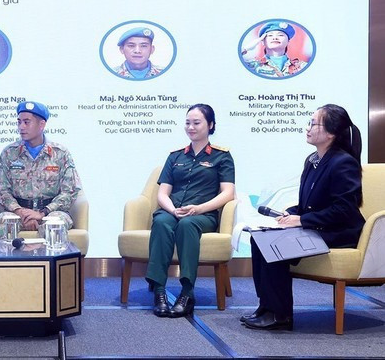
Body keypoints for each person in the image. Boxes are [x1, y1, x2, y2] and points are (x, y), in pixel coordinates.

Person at [243, 104, 364, 330]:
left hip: (339, 232)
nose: (307, 128)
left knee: (275, 245)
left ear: (330, 133)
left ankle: (280, 315)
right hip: (319, 227)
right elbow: (311, 204)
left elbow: (344, 209)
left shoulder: (343, 162)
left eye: (313, 123)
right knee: (258, 238)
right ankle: (267, 306)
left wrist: (302, 221)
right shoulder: (312, 160)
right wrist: (293, 212)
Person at [147, 104, 235, 318]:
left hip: (203, 215)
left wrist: (198, 209)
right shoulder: (175, 156)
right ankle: (159, 291)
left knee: (187, 225)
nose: (191, 127)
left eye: (197, 123)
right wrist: (173, 210)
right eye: (188, 122)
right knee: (160, 222)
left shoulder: (221, 156)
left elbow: (228, 193)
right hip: (173, 210)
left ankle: (187, 293)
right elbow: (162, 193)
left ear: (210, 125)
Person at [0, 101, 81, 236]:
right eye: (19, 122)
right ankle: (7, 257)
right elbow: (0, 189)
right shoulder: (9, 153)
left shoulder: (60, 153)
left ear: (41, 125)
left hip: (50, 212)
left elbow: (70, 191)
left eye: (27, 122)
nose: (21, 127)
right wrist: (20, 212)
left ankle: (49, 258)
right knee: (4, 223)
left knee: (54, 225)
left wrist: (42, 212)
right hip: (18, 211)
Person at [241, 21, 308, 77]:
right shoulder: (254, 65)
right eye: (270, 35)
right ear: (262, 42)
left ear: (288, 41)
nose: (275, 38)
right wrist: (245, 49)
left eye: (280, 35)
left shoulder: (301, 66)